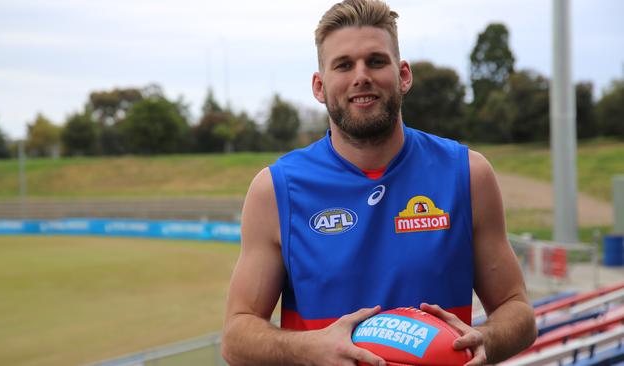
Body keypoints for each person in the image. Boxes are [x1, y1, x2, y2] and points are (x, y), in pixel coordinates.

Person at [222, 0, 537, 365]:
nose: (361, 76)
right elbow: (236, 336)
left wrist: (485, 339)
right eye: (343, 65)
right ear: (320, 86)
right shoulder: (276, 191)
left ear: (403, 75)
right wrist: (309, 349)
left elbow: (519, 311)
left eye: (375, 61)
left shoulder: (467, 174)